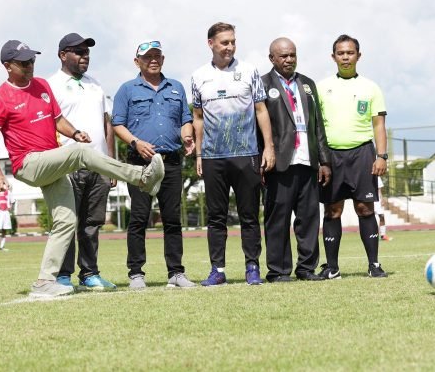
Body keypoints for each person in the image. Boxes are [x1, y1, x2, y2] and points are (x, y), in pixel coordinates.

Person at [0, 40, 166, 299]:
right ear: (7, 66)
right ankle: (141, 177)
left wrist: (75, 132)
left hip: (51, 163)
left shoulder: (42, 86)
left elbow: (57, 120)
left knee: (66, 221)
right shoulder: (0, 98)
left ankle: (45, 282)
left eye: (32, 60)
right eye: (23, 63)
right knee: (81, 153)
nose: (30, 65)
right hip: (29, 163)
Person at [191, 22, 275, 287]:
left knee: (249, 215)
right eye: (224, 42)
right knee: (216, 217)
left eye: (233, 42)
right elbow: (198, 118)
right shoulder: (198, 76)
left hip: (246, 154)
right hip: (213, 157)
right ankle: (217, 270)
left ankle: (252, 267)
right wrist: (199, 155)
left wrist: (268, 147)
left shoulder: (249, 71)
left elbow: (261, 110)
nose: (229, 47)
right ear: (211, 44)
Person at [112, 40, 197, 290]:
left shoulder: (176, 87)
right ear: (137, 61)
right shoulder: (127, 90)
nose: (153, 60)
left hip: (171, 161)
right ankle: (136, 274)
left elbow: (185, 119)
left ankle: (176, 272)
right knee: (139, 218)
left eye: (157, 56)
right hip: (140, 163)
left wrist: (187, 135)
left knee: (172, 219)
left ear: (163, 59)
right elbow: (118, 124)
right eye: (147, 57)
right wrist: (136, 142)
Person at [47, 33, 117, 291]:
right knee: (66, 222)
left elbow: (107, 125)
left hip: (98, 165)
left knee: (92, 224)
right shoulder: (50, 85)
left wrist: (110, 163)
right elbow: (47, 126)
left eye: (86, 52)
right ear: (62, 55)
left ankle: (89, 274)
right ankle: (62, 276)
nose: (84, 56)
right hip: (68, 166)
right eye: (78, 51)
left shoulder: (95, 84)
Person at [317, 34, 388, 279]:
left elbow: (379, 125)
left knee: (365, 208)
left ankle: (374, 265)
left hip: (362, 153)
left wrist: (382, 156)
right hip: (331, 156)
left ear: (359, 55)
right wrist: (320, 160)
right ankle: (332, 268)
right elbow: (316, 126)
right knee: (332, 210)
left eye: (350, 53)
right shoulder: (322, 87)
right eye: (341, 53)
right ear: (333, 57)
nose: (345, 57)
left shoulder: (371, 87)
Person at [260, 37, 332, 282]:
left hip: (307, 160)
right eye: (283, 56)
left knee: (309, 218)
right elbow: (256, 126)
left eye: (292, 55)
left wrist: (324, 161)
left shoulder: (307, 84)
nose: (289, 59)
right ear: (272, 58)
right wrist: (261, 158)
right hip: (279, 162)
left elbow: (318, 125)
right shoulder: (262, 84)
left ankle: (306, 268)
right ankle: (278, 271)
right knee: (278, 219)